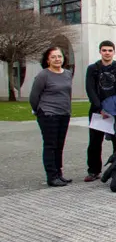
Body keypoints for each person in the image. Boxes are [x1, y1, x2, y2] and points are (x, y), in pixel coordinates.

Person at [84, 40, 116, 182]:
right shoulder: (93, 69)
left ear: (114, 52)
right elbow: (90, 89)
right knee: (95, 142)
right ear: (100, 51)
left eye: (110, 50)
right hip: (98, 111)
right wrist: (100, 108)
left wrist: (112, 109)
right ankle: (94, 170)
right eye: (104, 50)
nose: (107, 53)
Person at [30, 46, 74, 187]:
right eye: (53, 57)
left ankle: (58, 174)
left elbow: (67, 94)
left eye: (59, 56)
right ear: (48, 60)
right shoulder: (44, 75)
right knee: (50, 145)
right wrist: (39, 111)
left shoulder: (67, 74)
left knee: (59, 145)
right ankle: (51, 176)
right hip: (48, 114)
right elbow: (34, 97)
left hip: (64, 113)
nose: (57, 59)